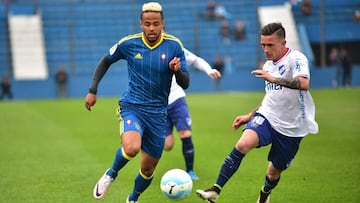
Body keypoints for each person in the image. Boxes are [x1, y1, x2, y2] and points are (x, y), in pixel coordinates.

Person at [196, 22, 318, 203]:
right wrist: (250, 116)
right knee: (243, 144)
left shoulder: (296, 59)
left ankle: (264, 195)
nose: (266, 50)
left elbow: (304, 84)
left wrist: (273, 79)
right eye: (263, 45)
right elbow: (271, 97)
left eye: (270, 45)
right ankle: (216, 190)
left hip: (293, 128)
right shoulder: (268, 65)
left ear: (283, 43)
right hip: (268, 117)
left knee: (273, 172)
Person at [84, 2, 189, 203]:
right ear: (141, 24)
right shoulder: (129, 43)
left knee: (147, 169)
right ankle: (111, 174)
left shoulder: (174, 45)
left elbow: (185, 83)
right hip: (132, 106)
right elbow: (106, 60)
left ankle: (133, 198)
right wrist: (92, 90)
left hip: (158, 114)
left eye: (155, 24)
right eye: (147, 23)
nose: (151, 28)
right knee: (131, 148)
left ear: (162, 24)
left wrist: (177, 71)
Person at [165, 47, 221, 180]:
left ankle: (190, 170)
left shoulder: (174, 46)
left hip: (177, 98)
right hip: (159, 103)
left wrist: (209, 70)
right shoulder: (148, 50)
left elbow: (195, 60)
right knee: (167, 145)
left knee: (185, 133)